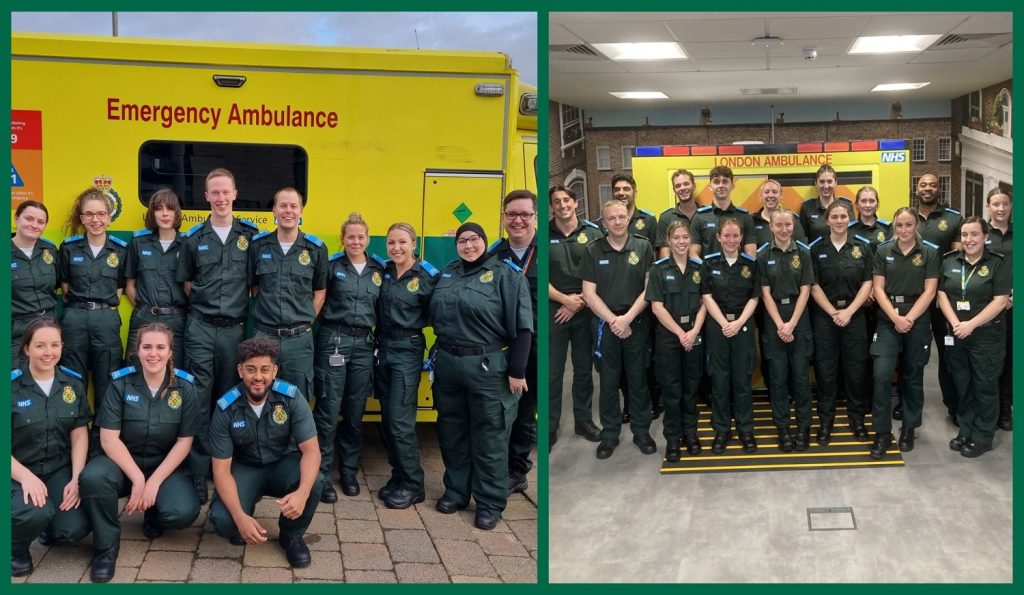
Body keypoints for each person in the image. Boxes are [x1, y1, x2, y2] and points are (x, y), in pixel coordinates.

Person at [429, 222, 532, 530]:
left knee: (490, 437)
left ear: (485, 242)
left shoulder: (506, 275)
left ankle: (489, 502)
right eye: (462, 240)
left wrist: (517, 371)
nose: (468, 245)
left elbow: (523, 328)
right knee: (452, 432)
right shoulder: (447, 273)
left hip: (488, 367)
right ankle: (456, 491)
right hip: (449, 363)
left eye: (474, 239)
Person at [79, 323, 200, 582]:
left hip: (163, 466)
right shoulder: (120, 384)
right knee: (93, 478)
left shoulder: (185, 388)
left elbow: (184, 442)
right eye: (147, 347)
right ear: (138, 350)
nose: (153, 354)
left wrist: (153, 482)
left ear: (170, 352)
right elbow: (109, 439)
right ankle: (106, 547)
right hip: (122, 463)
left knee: (182, 512)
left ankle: (154, 512)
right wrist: (138, 478)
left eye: (160, 347)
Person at [177, 168, 258, 504]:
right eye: (215, 192)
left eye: (226, 192)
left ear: (235, 194)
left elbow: (255, 284)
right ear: (206, 196)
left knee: (230, 399)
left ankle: (224, 467)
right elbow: (187, 283)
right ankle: (198, 472)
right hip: (200, 328)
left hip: (234, 331)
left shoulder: (251, 237)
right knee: (198, 400)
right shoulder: (194, 238)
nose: (221, 198)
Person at [208, 336, 322, 568]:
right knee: (224, 522)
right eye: (251, 369)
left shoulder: (291, 397)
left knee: (315, 481)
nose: (258, 377)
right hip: (246, 467)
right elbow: (220, 470)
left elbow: (312, 451)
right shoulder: (226, 407)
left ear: (275, 371)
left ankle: (291, 536)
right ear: (240, 370)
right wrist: (240, 518)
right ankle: (244, 511)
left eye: (265, 369)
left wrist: (302, 493)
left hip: (282, 464)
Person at [11, 319, 91, 578]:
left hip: (56, 468)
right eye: (40, 345)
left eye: (55, 345)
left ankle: (45, 525)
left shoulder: (72, 384)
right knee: (35, 512)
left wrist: (76, 478)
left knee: (74, 529)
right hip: (16, 471)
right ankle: (15, 548)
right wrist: (26, 477)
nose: (49, 352)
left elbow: (79, 433)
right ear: (27, 348)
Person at [580, 199, 656, 459]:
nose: (617, 221)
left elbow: (649, 289)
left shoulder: (643, 246)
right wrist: (614, 320)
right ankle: (610, 434)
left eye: (622, 217)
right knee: (609, 382)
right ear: (604, 223)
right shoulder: (593, 250)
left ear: (628, 219)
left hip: (636, 323)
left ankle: (641, 431)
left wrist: (627, 319)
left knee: (638, 379)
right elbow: (588, 294)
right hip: (605, 325)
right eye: (611, 218)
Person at [312, 213, 380, 503]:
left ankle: (349, 472)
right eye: (350, 236)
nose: (356, 241)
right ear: (343, 239)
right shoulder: (331, 266)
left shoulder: (378, 270)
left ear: (367, 239)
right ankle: (321, 475)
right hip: (334, 341)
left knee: (354, 411)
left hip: (364, 344)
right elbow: (317, 299)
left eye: (360, 237)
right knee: (327, 411)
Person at [375, 223, 438, 509]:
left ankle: (414, 485)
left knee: (401, 421)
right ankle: (399, 476)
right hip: (383, 348)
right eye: (391, 242)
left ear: (414, 244)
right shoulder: (385, 271)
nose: (396, 247)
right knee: (388, 419)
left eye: (402, 242)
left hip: (407, 348)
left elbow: (438, 314)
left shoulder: (427, 276)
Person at [869, 207, 940, 458]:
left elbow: (930, 291)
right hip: (888, 317)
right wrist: (896, 318)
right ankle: (882, 432)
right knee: (881, 375)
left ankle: (909, 428)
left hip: (917, 319)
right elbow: (878, 288)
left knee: (912, 375)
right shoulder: (883, 251)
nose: (904, 230)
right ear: (894, 227)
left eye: (909, 225)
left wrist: (908, 318)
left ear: (916, 226)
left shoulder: (929, 253)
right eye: (899, 225)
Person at [937, 217, 1011, 458]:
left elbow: (1000, 301)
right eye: (965, 235)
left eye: (974, 234)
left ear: (985, 237)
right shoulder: (950, 260)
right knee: (963, 385)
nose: (968, 240)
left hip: (986, 336)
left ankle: (983, 436)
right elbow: (941, 294)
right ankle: (965, 430)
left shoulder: (997, 263)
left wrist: (971, 324)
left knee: (984, 386)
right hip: (958, 334)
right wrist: (956, 323)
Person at [251, 187, 328, 396]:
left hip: (299, 341)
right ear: (274, 210)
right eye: (283, 205)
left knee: (297, 397)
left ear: (301, 210)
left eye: (293, 206)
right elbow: (254, 287)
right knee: (261, 395)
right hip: (264, 337)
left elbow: (320, 293)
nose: (288, 211)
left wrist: (303, 321)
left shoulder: (315, 249)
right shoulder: (258, 246)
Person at [809, 201, 874, 444]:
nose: (839, 221)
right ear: (827, 220)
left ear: (850, 219)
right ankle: (826, 421)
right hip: (825, 318)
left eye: (843, 216)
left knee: (856, 371)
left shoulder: (862, 247)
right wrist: (834, 313)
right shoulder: (815, 249)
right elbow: (813, 285)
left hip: (854, 316)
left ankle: (857, 419)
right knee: (825, 372)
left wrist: (848, 312)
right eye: (834, 217)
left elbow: (867, 283)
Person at [58, 187, 127, 414]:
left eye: (100, 214)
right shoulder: (68, 248)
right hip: (74, 319)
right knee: (72, 377)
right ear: (82, 218)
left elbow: (119, 288)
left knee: (107, 377)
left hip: (106, 319)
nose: (95, 219)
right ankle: (75, 430)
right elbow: (65, 286)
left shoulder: (120, 250)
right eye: (89, 214)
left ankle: (102, 434)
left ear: (109, 217)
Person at [488, 190, 538, 498]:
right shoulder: (494, 255)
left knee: (525, 411)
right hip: (504, 346)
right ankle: (498, 467)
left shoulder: (547, 250)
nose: (518, 220)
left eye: (525, 214)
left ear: (535, 217)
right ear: (503, 217)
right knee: (502, 409)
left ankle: (517, 472)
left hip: (538, 344)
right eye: (512, 214)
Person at [548, 186, 603, 450]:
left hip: (585, 310)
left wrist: (576, 302)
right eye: (556, 201)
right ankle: (549, 427)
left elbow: (601, 272)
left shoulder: (593, 233)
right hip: (554, 311)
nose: (562, 205)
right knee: (552, 372)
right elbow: (537, 276)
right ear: (551, 206)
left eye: (566, 200)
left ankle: (583, 421)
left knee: (583, 370)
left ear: (575, 202)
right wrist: (564, 300)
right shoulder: (542, 236)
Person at [646, 221, 706, 460]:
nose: (681, 242)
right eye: (677, 238)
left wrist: (694, 331)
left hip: (694, 333)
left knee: (691, 388)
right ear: (669, 241)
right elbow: (657, 307)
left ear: (690, 240)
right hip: (669, 336)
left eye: (685, 237)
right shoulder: (659, 269)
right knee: (671, 389)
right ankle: (672, 438)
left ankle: (690, 434)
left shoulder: (700, 268)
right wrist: (681, 334)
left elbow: (705, 303)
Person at [700, 218, 760, 454]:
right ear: (718, 237)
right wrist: (725, 323)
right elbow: (706, 296)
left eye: (735, 236)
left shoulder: (751, 265)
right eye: (726, 235)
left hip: (742, 327)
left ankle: (746, 430)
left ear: (742, 237)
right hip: (718, 327)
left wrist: (738, 323)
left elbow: (754, 297)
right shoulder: (709, 263)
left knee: (742, 382)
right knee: (719, 382)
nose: (731, 240)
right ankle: (722, 430)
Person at [757, 209, 814, 452]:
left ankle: (803, 427)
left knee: (801, 379)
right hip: (774, 321)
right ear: (770, 226)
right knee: (778, 379)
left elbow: (806, 290)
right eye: (778, 225)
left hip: (798, 319)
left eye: (787, 225)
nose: (783, 229)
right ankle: (782, 428)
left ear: (793, 226)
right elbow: (765, 293)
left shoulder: (803, 252)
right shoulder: (762, 255)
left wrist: (791, 324)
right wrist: (781, 324)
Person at [912, 173, 962, 426]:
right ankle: (909, 404)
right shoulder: (907, 218)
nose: (928, 188)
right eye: (923, 185)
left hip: (943, 299)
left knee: (947, 352)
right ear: (917, 189)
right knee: (913, 355)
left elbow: (958, 261)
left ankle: (954, 405)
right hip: (914, 299)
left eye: (932, 185)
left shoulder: (953, 219)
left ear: (939, 189)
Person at [124, 189, 188, 368]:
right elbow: (130, 286)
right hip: (144, 318)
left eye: (170, 208)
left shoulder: (188, 244)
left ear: (177, 212)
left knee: (174, 372)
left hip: (176, 320)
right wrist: (146, 308)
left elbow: (190, 286)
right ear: (152, 213)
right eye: (159, 209)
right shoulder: (138, 243)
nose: (165, 214)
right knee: (135, 370)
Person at [11, 200, 59, 365]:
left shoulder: (50, 251)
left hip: (48, 327)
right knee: (16, 377)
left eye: (40, 222)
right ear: (16, 219)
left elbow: (58, 286)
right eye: (29, 219)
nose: (34, 225)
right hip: (16, 332)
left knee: (45, 375)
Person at [985, 188, 1013, 431]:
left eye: (1005, 203)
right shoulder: (981, 234)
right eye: (996, 204)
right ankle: (989, 410)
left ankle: (1005, 408)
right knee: (990, 360)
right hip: (988, 307)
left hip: (1014, 306)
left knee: (1011, 359)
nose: (1001, 208)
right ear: (988, 207)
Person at [689, 165, 757, 258]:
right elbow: (693, 253)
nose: (721, 185)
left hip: (738, 268)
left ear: (732, 186)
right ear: (710, 187)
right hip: (708, 268)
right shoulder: (699, 217)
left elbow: (751, 254)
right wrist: (705, 267)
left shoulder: (745, 217)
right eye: (716, 182)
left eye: (725, 181)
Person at [799, 164, 853, 244]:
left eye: (829, 181)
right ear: (816, 183)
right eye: (822, 182)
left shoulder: (847, 205)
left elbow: (852, 233)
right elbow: (803, 239)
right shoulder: (807, 208)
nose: (826, 186)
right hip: (816, 252)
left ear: (836, 183)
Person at [597, 173, 657, 242]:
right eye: (617, 189)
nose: (621, 193)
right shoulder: (601, 223)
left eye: (626, 189)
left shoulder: (649, 220)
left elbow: (653, 248)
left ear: (635, 193)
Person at [655, 169, 700, 258]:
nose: (682, 188)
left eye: (686, 184)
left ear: (694, 186)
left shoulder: (707, 215)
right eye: (678, 186)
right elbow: (664, 254)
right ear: (674, 190)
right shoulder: (666, 218)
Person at [752, 179, 806, 247]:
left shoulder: (793, 219)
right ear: (761, 196)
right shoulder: (752, 220)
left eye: (774, 192)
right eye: (766, 192)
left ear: (781, 195)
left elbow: (802, 247)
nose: (770, 195)